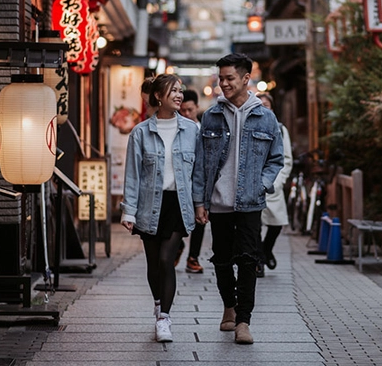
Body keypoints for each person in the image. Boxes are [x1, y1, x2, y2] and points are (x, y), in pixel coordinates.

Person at [192, 53, 284, 345]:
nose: (224, 84)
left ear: (246, 78)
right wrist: (200, 201)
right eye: (221, 78)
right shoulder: (211, 115)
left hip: (250, 202)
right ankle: (229, 306)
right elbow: (200, 163)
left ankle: (243, 321)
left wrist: (261, 185)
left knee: (247, 260)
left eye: (229, 78)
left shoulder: (266, 117)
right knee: (221, 260)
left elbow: (276, 159)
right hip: (218, 201)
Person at [120, 74, 198, 343]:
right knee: (153, 263)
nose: (179, 95)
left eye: (180, 90)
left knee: (166, 259)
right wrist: (129, 210)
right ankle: (158, 302)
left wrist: (201, 205)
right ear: (157, 96)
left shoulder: (192, 130)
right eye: (173, 90)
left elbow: (198, 173)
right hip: (149, 204)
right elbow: (133, 175)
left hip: (178, 203)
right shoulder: (141, 132)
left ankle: (164, 318)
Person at [255, 92, 293, 278]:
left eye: (266, 105)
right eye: (259, 104)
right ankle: (258, 261)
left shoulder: (279, 128)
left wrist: (278, 181)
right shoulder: (249, 126)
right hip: (254, 186)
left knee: (276, 224)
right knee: (254, 226)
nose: (263, 108)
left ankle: (266, 249)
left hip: (273, 185)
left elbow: (286, 158)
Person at [177, 89, 206, 274]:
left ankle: (193, 257)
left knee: (200, 219)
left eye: (190, 110)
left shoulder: (204, 129)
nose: (186, 114)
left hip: (200, 181)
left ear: (197, 107)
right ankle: (177, 246)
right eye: (183, 110)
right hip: (181, 181)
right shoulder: (177, 129)